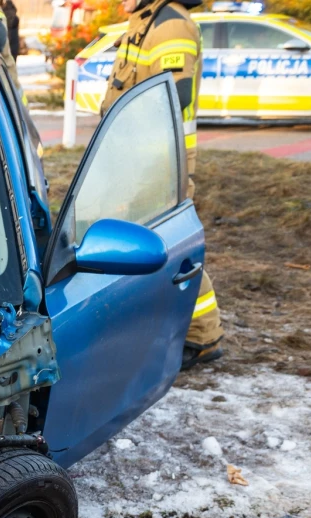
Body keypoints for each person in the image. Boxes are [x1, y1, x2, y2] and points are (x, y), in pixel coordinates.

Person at [101, 0, 223, 368]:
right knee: (151, 243)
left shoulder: (169, 25)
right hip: (142, 158)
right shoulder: (145, 21)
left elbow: (172, 94)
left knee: (170, 245)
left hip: (160, 160)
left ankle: (204, 337)